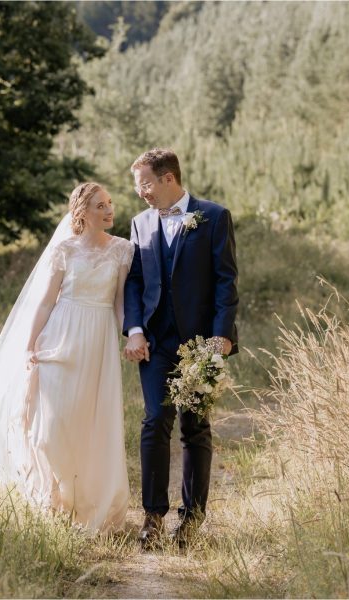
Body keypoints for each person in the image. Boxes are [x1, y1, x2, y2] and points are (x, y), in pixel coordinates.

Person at [0, 182, 131, 533]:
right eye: (100, 205)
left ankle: (86, 505)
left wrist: (132, 336)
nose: (109, 210)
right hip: (59, 338)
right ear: (81, 212)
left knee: (90, 424)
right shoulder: (64, 251)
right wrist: (29, 345)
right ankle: (53, 496)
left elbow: (119, 304)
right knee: (49, 428)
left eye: (110, 203)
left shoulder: (123, 251)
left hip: (98, 341)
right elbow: (45, 302)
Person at [123, 148, 239, 548]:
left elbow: (226, 281)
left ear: (168, 178)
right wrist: (134, 329)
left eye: (146, 184)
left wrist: (221, 335)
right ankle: (152, 517)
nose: (142, 194)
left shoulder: (213, 217)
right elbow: (135, 281)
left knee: (195, 428)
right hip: (155, 343)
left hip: (201, 344)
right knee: (155, 421)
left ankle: (190, 521)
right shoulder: (139, 224)